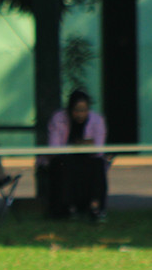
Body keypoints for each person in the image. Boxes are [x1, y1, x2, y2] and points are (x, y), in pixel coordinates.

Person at [37, 89, 110, 221]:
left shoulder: (97, 120)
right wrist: (77, 146)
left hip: (88, 159)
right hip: (64, 159)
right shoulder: (58, 119)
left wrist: (83, 146)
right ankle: (67, 208)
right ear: (70, 109)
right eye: (77, 110)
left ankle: (95, 206)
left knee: (98, 165)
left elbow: (99, 150)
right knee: (62, 165)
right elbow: (54, 148)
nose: (80, 114)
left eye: (84, 110)